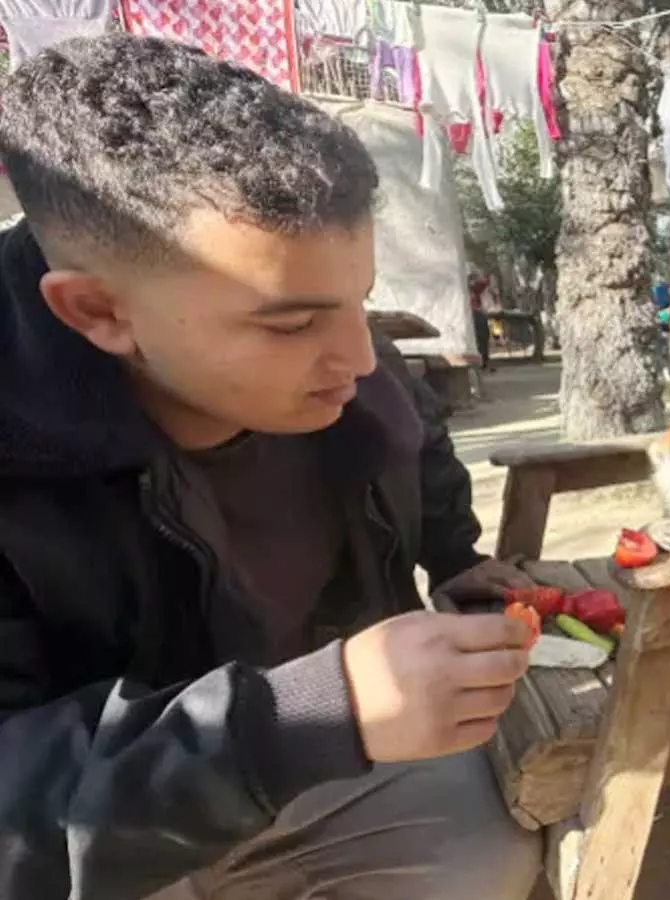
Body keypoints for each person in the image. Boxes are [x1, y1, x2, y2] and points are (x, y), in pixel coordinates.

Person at [0, 35, 542, 900]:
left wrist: (457, 558)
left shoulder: (356, 367)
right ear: (98, 310)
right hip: (98, 829)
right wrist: (302, 718)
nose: (359, 359)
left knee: (499, 851)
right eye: (291, 326)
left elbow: (419, 442)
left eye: (360, 301)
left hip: (318, 770)